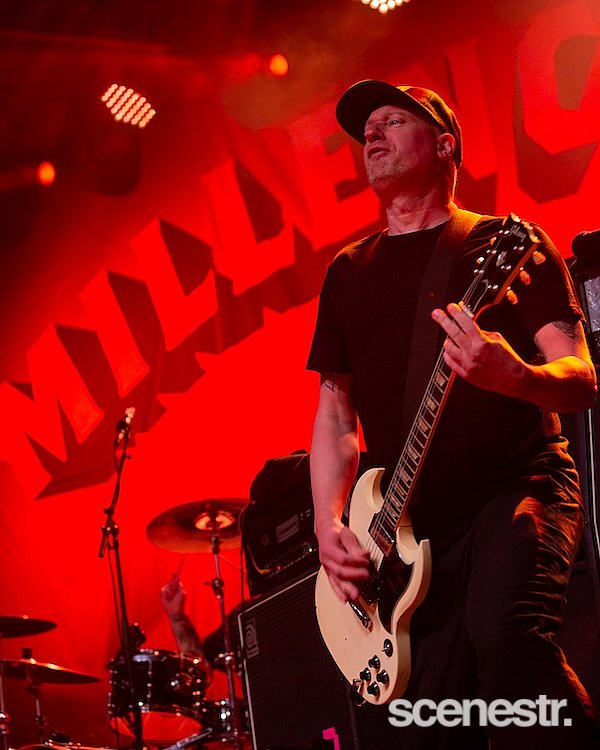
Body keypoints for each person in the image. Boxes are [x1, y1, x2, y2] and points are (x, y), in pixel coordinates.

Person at [307, 79, 599, 749]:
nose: (371, 135)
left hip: (515, 487)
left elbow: (581, 378)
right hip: (411, 530)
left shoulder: (505, 244)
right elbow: (335, 414)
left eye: (391, 121)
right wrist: (327, 522)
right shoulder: (348, 273)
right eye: (367, 129)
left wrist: (516, 376)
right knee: (433, 722)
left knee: (508, 636)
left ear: (444, 145)